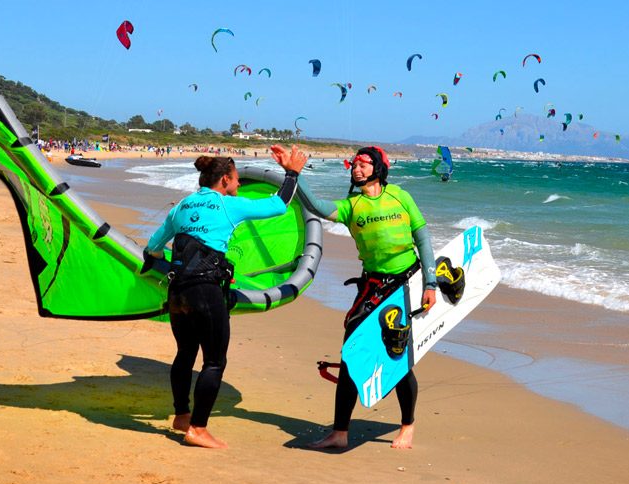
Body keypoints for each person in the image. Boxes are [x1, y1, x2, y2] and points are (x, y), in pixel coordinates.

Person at [144, 144, 307, 449]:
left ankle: (181, 415)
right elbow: (279, 205)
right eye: (235, 179)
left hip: (177, 293)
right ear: (223, 182)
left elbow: (153, 248)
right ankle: (197, 429)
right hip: (206, 292)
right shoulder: (227, 205)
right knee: (214, 362)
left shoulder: (181, 206)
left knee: (184, 355)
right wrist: (292, 172)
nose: (239, 184)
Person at [299, 146, 437, 450]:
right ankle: (340, 432)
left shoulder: (401, 196)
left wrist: (431, 283)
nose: (356, 169)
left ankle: (408, 426)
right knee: (351, 353)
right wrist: (295, 175)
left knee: (398, 356)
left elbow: (423, 238)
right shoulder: (352, 206)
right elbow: (319, 207)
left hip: (406, 283)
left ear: (378, 168)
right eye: (354, 165)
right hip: (373, 285)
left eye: (363, 164)